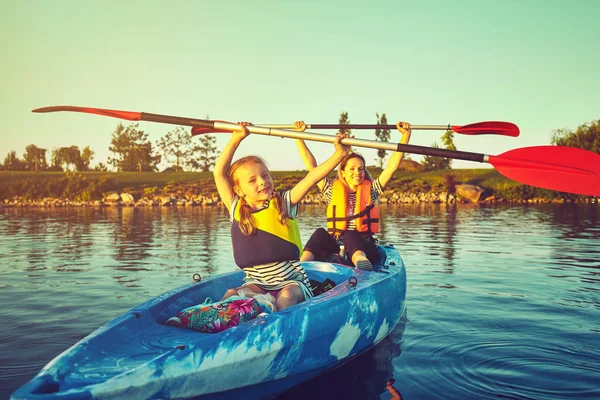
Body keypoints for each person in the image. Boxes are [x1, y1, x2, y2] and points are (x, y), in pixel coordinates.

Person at [214, 122, 351, 311]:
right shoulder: (236, 207)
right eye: (252, 180)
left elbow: (311, 178)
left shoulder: (283, 203)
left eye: (265, 175)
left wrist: (339, 155)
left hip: (292, 284)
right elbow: (219, 173)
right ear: (239, 190)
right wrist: (236, 138)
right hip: (258, 284)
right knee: (231, 294)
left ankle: (275, 331)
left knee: (285, 298)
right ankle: (214, 323)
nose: (262, 182)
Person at [295, 120, 412, 270]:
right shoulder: (331, 190)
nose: (357, 173)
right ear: (342, 172)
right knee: (319, 233)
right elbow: (312, 167)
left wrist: (405, 136)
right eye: (352, 169)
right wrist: (299, 137)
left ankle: (360, 262)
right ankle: (302, 265)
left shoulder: (372, 191)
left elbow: (391, 168)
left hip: (364, 247)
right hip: (337, 246)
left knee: (350, 233)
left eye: (361, 169)